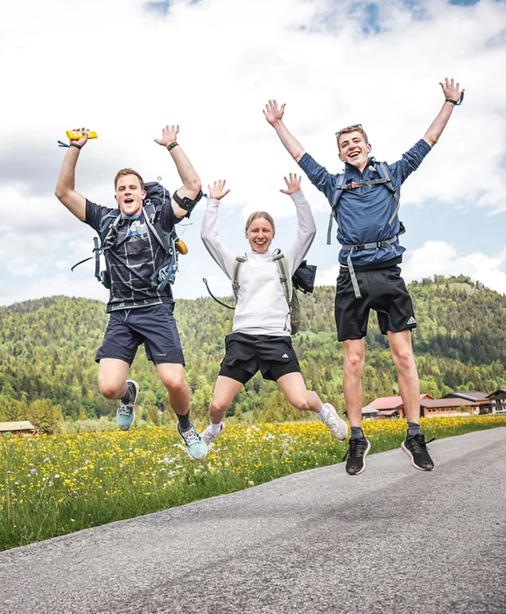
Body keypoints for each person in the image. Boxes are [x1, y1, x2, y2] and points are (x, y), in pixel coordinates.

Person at [263, 79, 465, 475]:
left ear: (368, 146)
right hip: (351, 275)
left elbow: (430, 139)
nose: (352, 146)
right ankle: (357, 437)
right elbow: (300, 154)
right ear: (340, 153)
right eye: (345, 143)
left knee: (404, 355)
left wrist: (449, 103)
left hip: (388, 272)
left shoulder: (393, 172)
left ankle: (414, 433)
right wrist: (277, 125)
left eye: (357, 140)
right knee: (353, 361)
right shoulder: (332, 182)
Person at [55, 125, 208, 460]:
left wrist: (173, 146)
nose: (127, 191)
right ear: (116, 196)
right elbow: (64, 192)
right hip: (122, 313)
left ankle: (184, 425)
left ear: (142, 194)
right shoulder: (105, 220)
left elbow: (193, 186)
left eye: (133, 187)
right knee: (109, 387)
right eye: (121, 188)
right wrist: (74, 148)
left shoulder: (161, 216)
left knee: (175, 382)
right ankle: (129, 395)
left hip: (155, 308)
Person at [198, 176, 350, 447]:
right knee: (217, 404)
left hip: (276, 341)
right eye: (255, 230)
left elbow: (308, 232)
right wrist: (213, 203)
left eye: (265, 230)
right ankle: (214, 429)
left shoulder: (285, 261)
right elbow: (209, 237)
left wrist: (297, 196)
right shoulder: (236, 263)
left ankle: (325, 412)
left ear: (273, 234)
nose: (260, 235)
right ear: (246, 234)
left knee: (301, 400)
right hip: (242, 340)